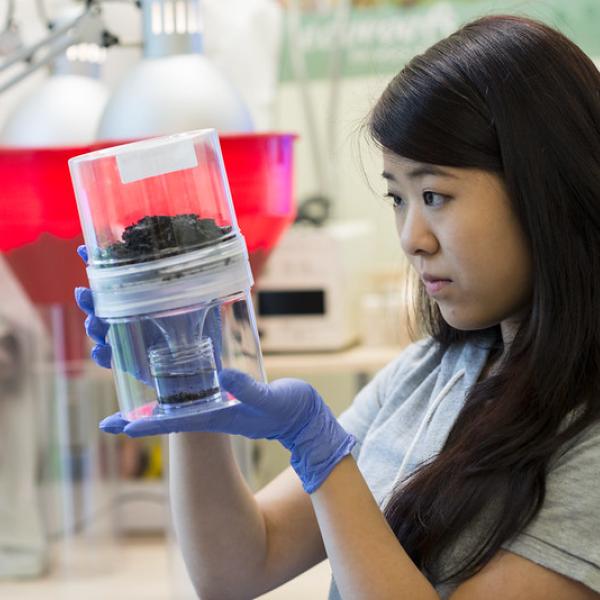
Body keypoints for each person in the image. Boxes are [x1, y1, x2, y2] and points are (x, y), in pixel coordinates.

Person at [75, 14, 600, 599]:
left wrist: (320, 450)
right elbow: (238, 568)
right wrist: (189, 380)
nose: (411, 237)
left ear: (545, 189)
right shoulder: (427, 373)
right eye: (397, 198)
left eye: (434, 195)